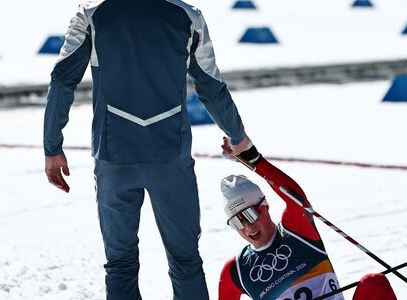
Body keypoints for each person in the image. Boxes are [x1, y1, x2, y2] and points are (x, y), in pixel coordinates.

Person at [42, 0, 254, 299]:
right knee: (186, 261)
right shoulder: (188, 15)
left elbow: (62, 79)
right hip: (170, 157)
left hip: (114, 157)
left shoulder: (90, 13)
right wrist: (238, 137)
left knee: (120, 264)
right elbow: (210, 84)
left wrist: (52, 146)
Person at [217, 162, 346, 300]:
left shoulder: (295, 230)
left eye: (251, 214)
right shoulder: (236, 271)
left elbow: (296, 199)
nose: (248, 227)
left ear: (265, 205)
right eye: (237, 222)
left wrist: (255, 159)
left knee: (370, 282)